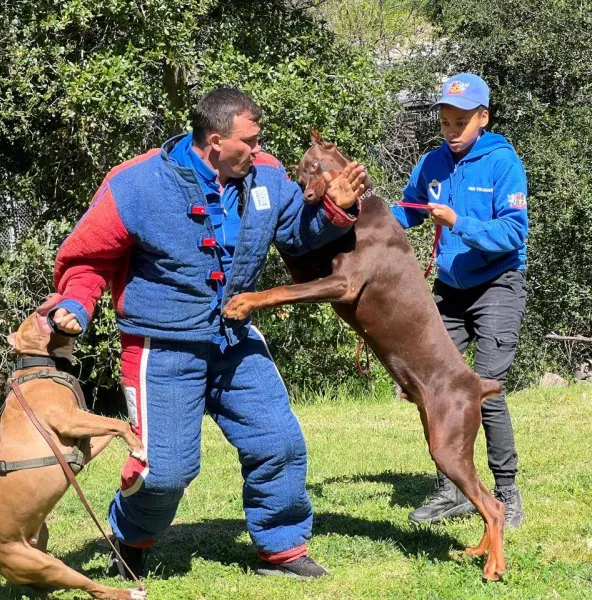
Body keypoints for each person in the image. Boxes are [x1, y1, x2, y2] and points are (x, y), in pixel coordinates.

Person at [48, 87, 366, 579]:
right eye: (250, 141)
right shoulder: (136, 183)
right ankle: (130, 539)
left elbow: (294, 233)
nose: (259, 150)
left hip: (234, 337)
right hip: (162, 347)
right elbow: (88, 258)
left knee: (279, 441)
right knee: (165, 472)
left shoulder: (266, 176)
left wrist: (333, 213)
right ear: (215, 140)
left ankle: (282, 548)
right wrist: (76, 303)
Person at [391, 73, 528, 527]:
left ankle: (506, 493)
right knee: (433, 389)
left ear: (482, 118)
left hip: (498, 285)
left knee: (484, 390)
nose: (451, 131)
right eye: (445, 122)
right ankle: (451, 490)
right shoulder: (432, 163)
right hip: (450, 291)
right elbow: (407, 212)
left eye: (461, 122)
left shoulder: (502, 163)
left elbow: (513, 232)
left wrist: (458, 222)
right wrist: (356, 212)